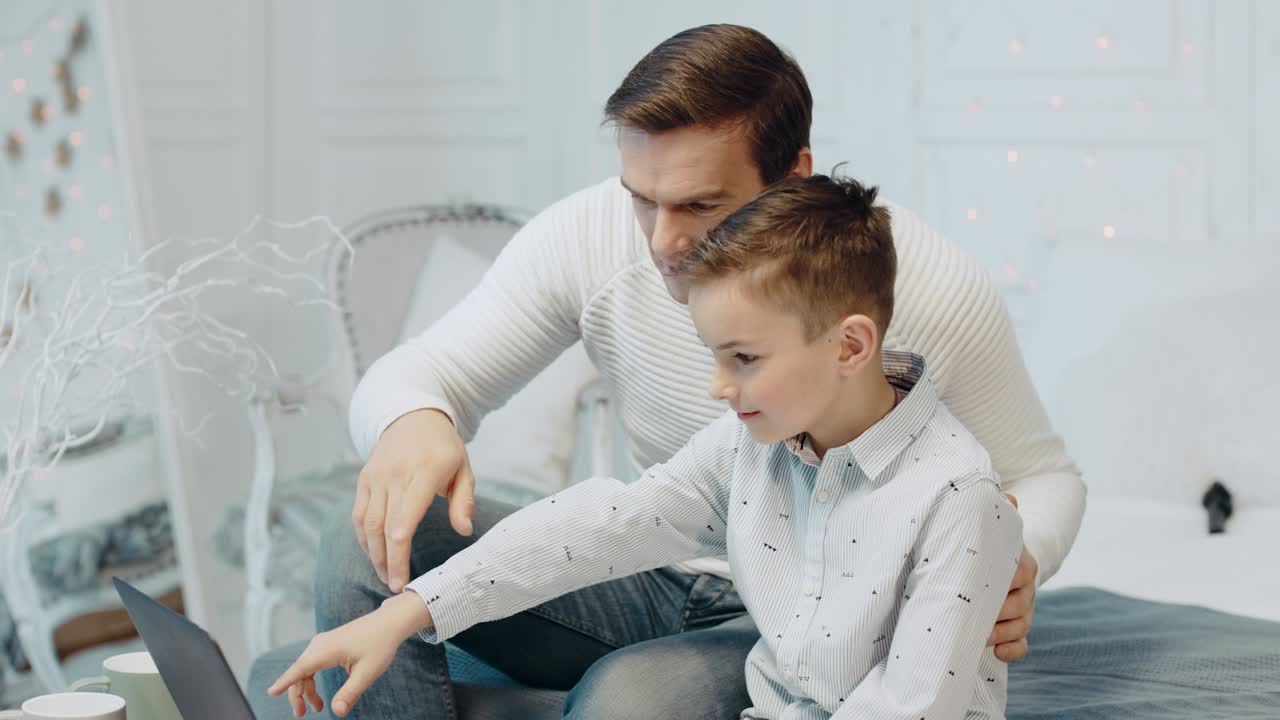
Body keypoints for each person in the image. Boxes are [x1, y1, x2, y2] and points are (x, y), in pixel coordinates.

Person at [306, 23, 1084, 719]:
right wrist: (413, 421)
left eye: (701, 205)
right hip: (661, 568)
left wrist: (1010, 562)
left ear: (794, 176)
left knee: (630, 702)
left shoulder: (925, 296)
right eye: (642, 200)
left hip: (808, 615)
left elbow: (1042, 477)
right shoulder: (722, 424)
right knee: (368, 545)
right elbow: (608, 514)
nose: (660, 242)